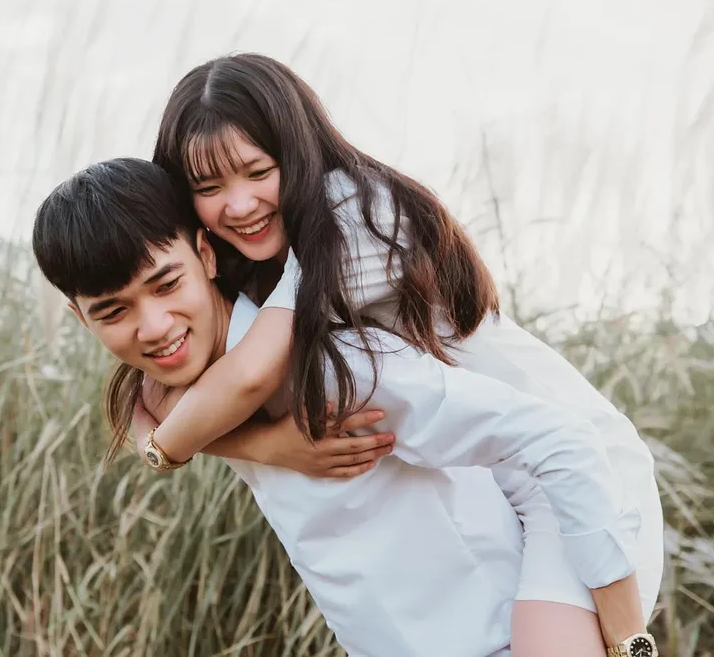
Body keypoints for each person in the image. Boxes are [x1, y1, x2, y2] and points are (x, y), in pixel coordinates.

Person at [137, 53, 664, 657]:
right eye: (208, 188)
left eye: (258, 171)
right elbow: (142, 397)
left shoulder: (352, 217)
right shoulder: (258, 258)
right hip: (501, 480)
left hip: (575, 471)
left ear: (298, 153)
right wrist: (262, 445)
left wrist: (189, 446)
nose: (238, 205)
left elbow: (248, 376)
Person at [32, 157, 539, 656]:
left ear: (206, 255)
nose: (155, 327)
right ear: (81, 320)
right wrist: (266, 445)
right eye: (114, 312)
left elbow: (544, 443)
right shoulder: (171, 393)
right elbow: (154, 424)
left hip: (503, 633)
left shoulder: (337, 363)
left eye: (167, 285)